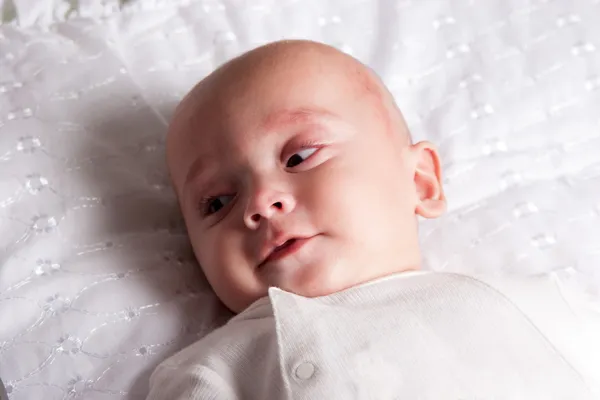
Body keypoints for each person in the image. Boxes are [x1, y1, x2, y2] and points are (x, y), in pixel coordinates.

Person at [146, 40, 600, 399]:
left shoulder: (532, 304)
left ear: (420, 182)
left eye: (299, 156)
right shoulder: (217, 367)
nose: (260, 203)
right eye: (217, 202)